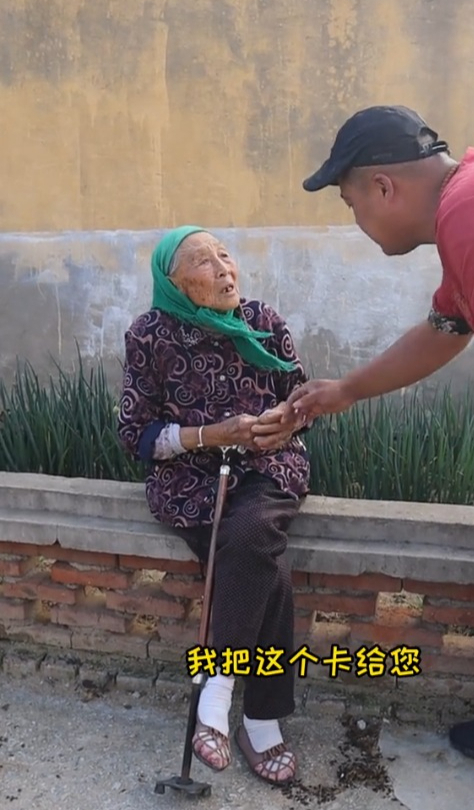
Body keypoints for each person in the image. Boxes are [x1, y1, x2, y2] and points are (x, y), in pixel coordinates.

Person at [272, 105, 474, 810]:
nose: (357, 221)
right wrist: (345, 391)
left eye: (351, 201)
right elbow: (445, 330)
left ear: (384, 186)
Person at [117, 225, 310, 786]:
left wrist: (282, 425)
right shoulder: (150, 335)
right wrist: (214, 433)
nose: (224, 268)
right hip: (191, 480)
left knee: (252, 536)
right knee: (263, 565)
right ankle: (261, 718)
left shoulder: (264, 322)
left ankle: (217, 695)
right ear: (175, 282)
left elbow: (301, 399)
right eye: (205, 261)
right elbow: (136, 434)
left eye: (225, 255)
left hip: (269, 469)